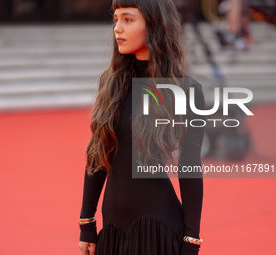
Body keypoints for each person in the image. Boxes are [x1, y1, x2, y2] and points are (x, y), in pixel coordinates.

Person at [78, 0, 206, 254]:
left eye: (128, 19)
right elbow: (97, 156)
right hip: (111, 231)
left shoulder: (186, 90)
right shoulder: (111, 83)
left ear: (154, 24)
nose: (117, 28)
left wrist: (191, 240)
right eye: (115, 19)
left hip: (157, 230)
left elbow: (190, 167)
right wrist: (87, 223)